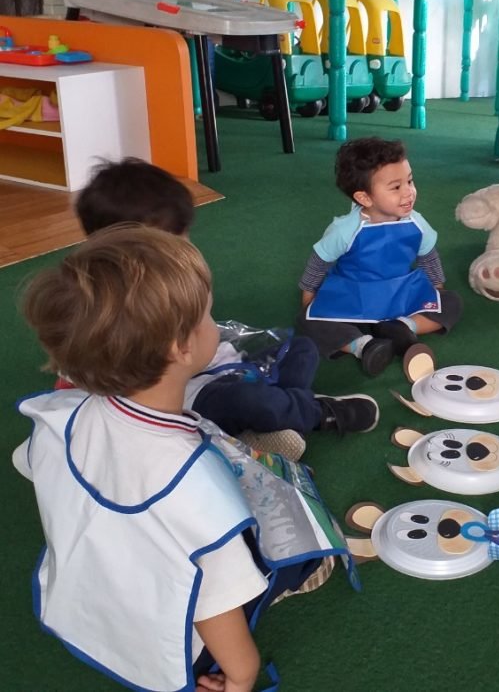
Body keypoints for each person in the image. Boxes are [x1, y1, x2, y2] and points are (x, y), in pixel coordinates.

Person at [15, 226, 329, 692]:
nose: (215, 323)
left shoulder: (60, 414)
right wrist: (241, 674)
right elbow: (214, 599)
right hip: (160, 642)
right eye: (207, 316)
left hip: (78, 606)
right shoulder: (192, 483)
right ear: (180, 349)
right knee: (291, 540)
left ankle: (257, 449)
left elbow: (27, 462)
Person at [73, 158, 379, 460]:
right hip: (191, 395)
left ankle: (279, 414)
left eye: (184, 236)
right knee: (249, 401)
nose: (187, 249)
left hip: (221, 364)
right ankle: (311, 413)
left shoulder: (175, 278)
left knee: (303, 349)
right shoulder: (113, 307)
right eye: (173, 242)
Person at [296, 136, 463, 376]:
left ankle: (402, 327)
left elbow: (429, 257)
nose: (409, 193)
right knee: (307, 319)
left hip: (400, 297)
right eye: (396, 187)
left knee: (452, 301)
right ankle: (364, 346)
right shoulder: (345, 229)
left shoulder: (416, 222)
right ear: (364, 197)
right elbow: (319, 261)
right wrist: (309, 299)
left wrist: (437, 291)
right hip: (352, 298)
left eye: (410, 180)